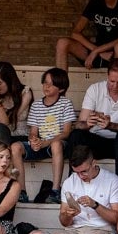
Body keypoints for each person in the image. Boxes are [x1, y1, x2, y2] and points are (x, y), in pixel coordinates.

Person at [53, 144, 118, 234]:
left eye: (84, 171)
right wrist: (68, 215)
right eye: (77, 172)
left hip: (103, 230)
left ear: (94, 163)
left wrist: (95, 205)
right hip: (75, 230)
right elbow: (64, 222)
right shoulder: (70, 181)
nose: (80, 176)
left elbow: (116, 218)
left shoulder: (112, 180)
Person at [12, 68, 74, 205]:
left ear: (61, 89)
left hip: (57, 144)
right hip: (42, 144)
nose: (46, 86)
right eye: (45, 82)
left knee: (56, 144)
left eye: (51, 84)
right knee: (15, 147)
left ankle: (55, 191)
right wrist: (34, 140)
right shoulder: (36, 105)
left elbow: (66, 132)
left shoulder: (65, 104)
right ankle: (21, 191)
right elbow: (33, 131)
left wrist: (47, 142)